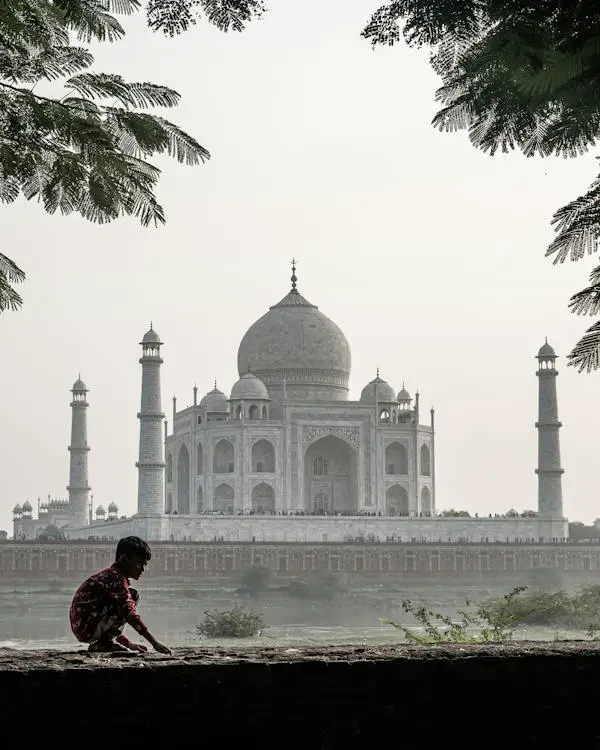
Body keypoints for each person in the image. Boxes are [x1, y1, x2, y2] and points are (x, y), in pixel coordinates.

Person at [70, 535, 171, 654]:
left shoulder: (112, 576)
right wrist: (155, 643)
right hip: (87, 629)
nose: (142, 569)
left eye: (145, 565)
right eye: (139, 563)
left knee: (130, 595)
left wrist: (129, 644)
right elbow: (129, 614)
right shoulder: (115, 579)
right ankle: (104, 644)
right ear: (123, 560)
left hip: (86, 627)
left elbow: (113, 619)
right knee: (131, 598)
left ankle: (105, 643)